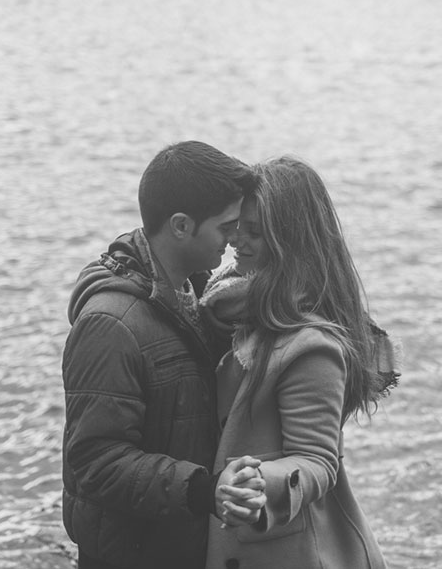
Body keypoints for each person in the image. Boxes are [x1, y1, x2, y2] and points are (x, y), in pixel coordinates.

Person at [61, 141, 266, 569]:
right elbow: (95, 462)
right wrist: (203, 490)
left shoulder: (200, 295)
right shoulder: (110, 325)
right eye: (226, 227)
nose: (233, 242)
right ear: (180, 225)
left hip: (185, 545)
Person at [200, 156, 401, 569]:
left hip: (289, 550)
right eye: (238, 226)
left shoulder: (311, 346)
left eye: (254, 232)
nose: (238, 240)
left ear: (291, 241)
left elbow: (317, 460)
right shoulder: (235, 310)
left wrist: (258, 486)